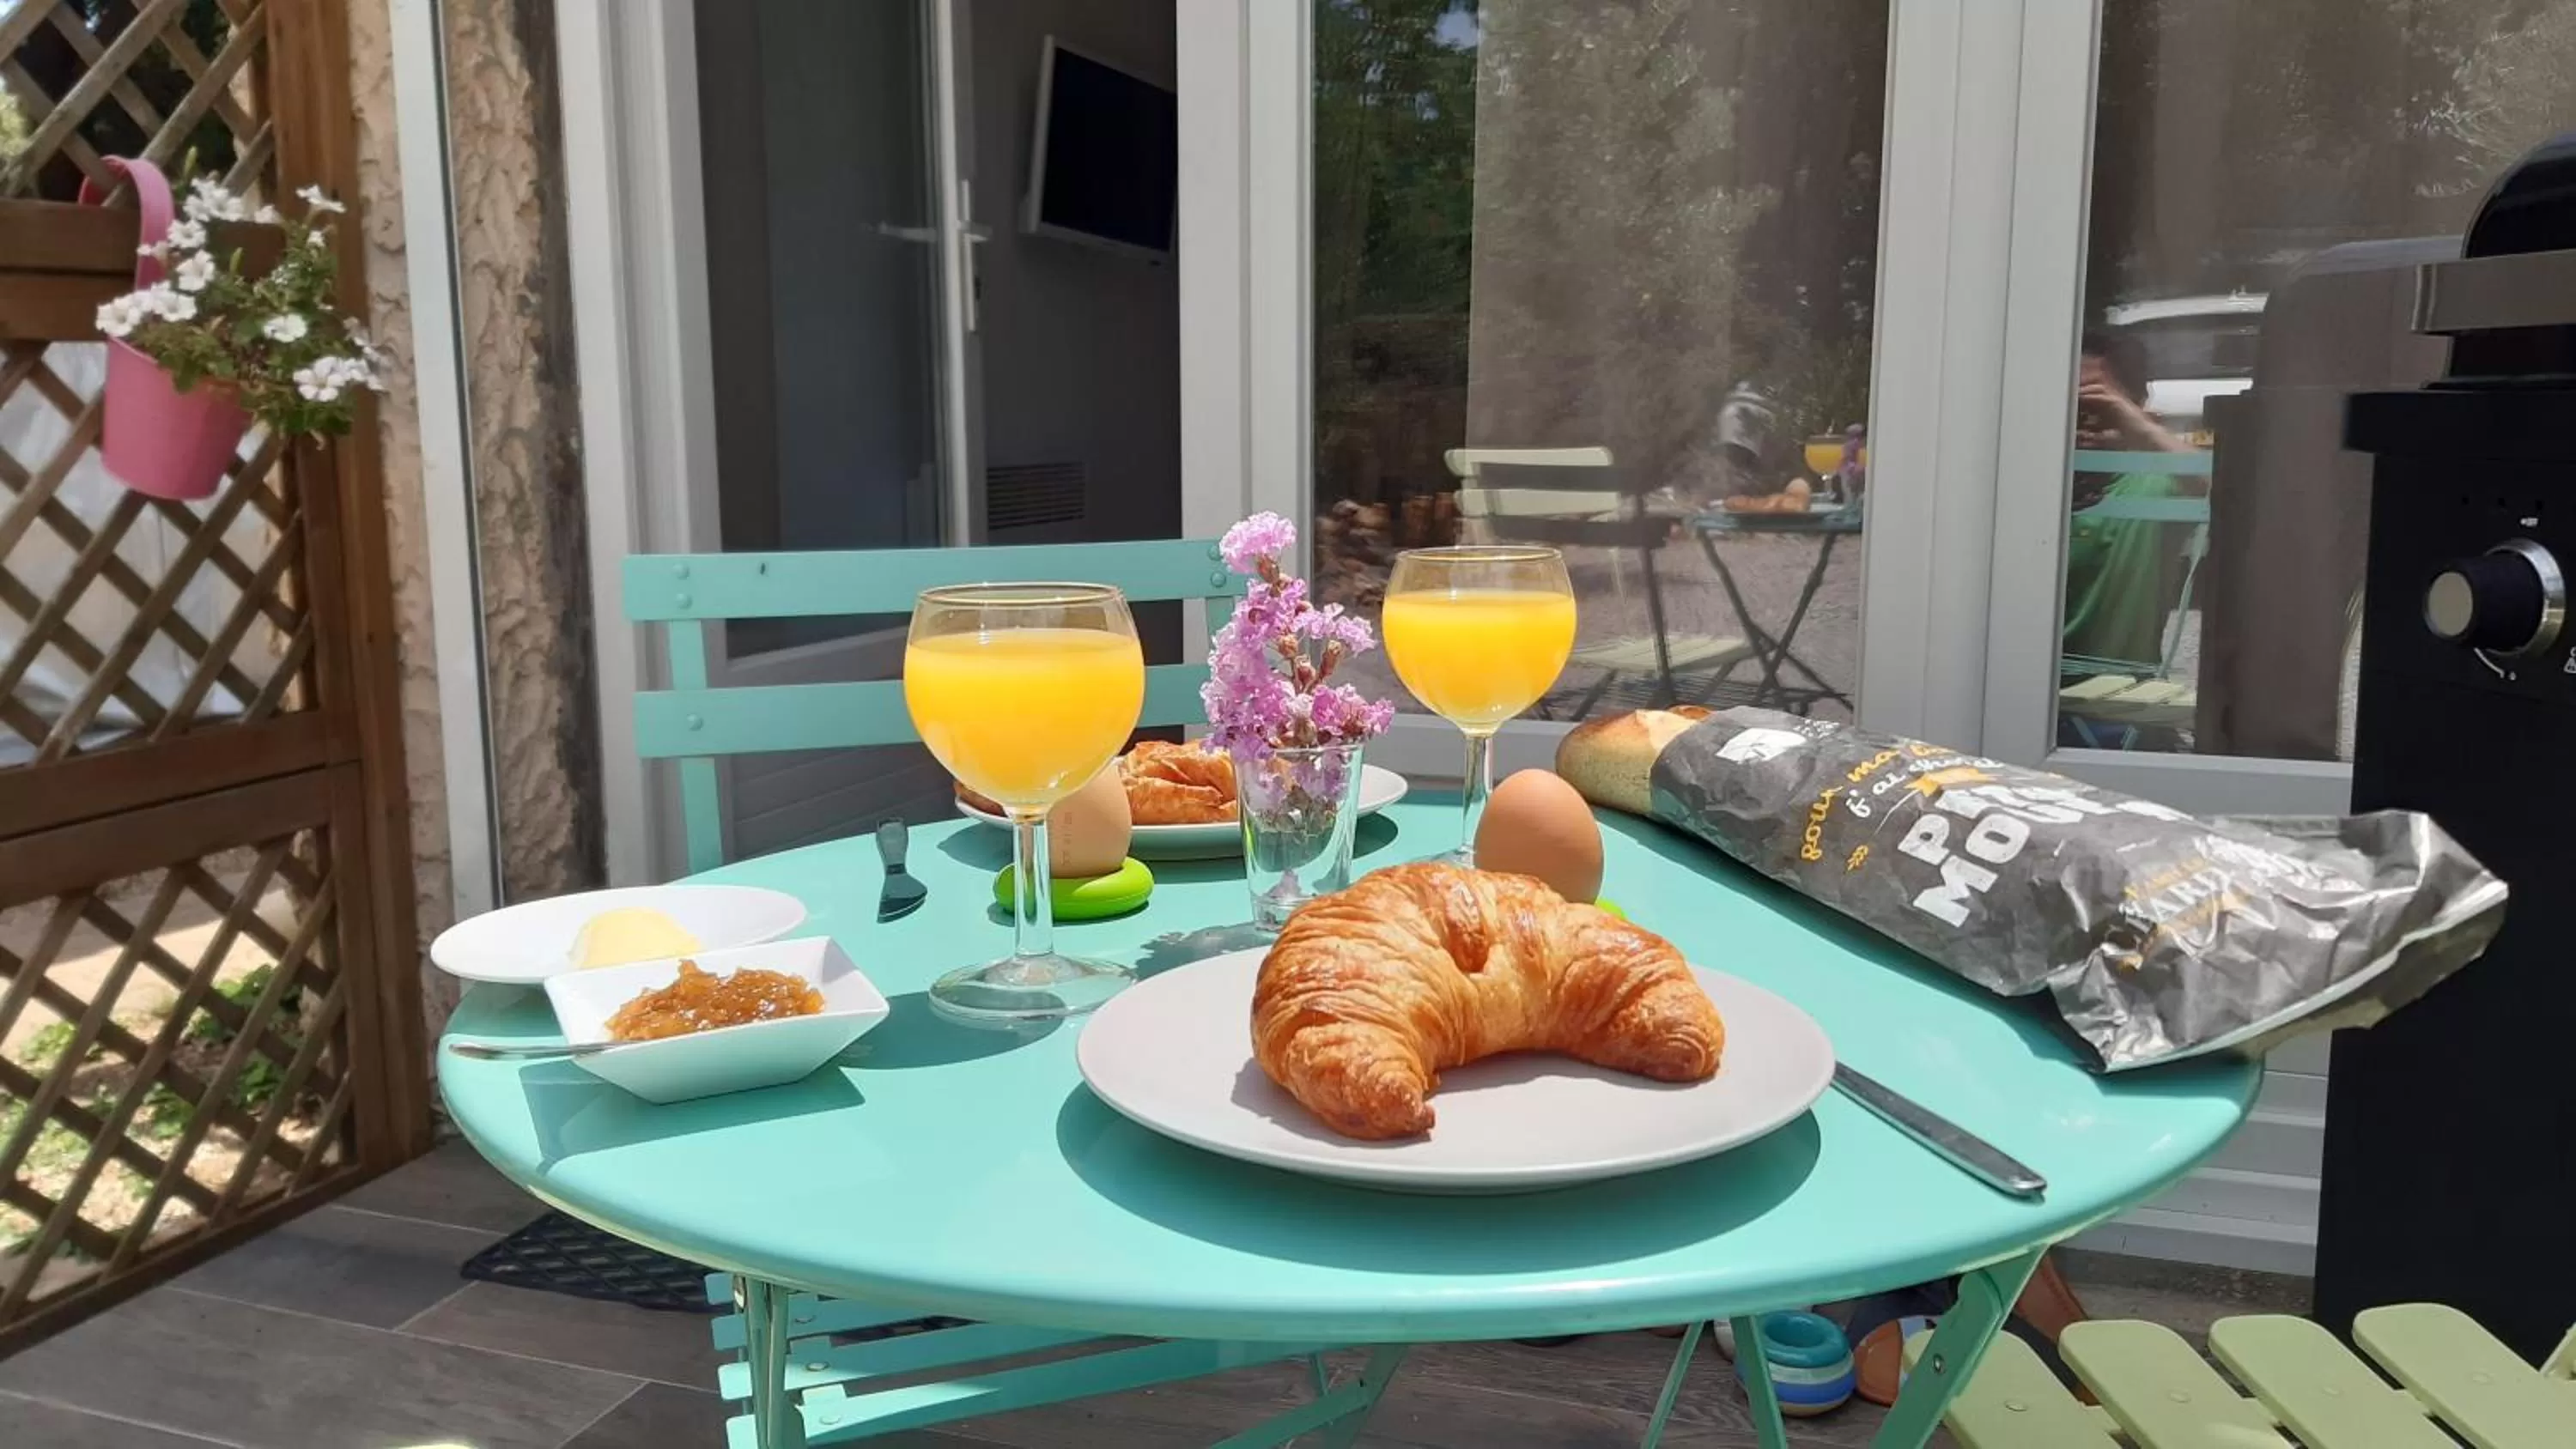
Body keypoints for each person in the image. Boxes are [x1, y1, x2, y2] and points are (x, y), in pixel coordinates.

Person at [2061, 330, 2203, 672]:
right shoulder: (2032, 486)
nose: (2086, 419)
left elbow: (2235, 491)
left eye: (2098, 402)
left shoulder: (2151, 486)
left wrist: (2138, 426)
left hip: (2116, 708)